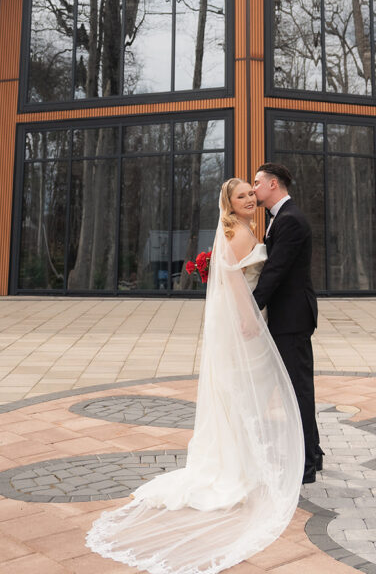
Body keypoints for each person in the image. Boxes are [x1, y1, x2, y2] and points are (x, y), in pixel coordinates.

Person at [86, 178, 304, 574]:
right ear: (229, 204)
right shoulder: (237, 233)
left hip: (252, 316)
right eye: (242, 196)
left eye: (252, 194)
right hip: (246, 319)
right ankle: (236, 464)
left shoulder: (244, 228)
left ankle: (242, 457)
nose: (250, 199)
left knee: (240, 391)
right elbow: (238, 281)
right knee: (241, 390)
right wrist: (248, 319)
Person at [251, 163, 322, 484]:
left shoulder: (291, 220)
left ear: (273, 184)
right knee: (296, 388)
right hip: (286, 316)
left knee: (298, 391)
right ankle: (314, 455)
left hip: (292, 317)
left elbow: (275, 271)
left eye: (257, 183)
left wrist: (251, 308)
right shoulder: (282, 218)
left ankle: (306, 465)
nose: (253, 189)